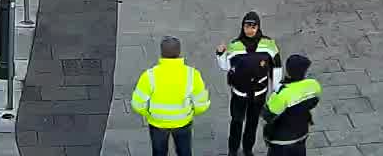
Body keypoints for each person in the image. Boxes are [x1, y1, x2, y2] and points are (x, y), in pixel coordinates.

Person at [130, 36, 210, 156]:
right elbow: (202, 104)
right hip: (183, 121)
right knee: (184, 152)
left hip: (157, 123)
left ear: (161, 53)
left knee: (159, 153)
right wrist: (190, 113)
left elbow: (137, 104)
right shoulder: (192, 74)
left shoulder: (149, 75)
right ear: (179, 52)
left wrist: (149, 114)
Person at [217, 12, 282, 156]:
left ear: (258, 27)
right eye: (247, 26)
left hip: (259, 94)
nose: (250, 30)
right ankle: (232, 150)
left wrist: (276, 89)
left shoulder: (269, 45)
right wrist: (220, 54)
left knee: (252, 124)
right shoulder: (235, 45)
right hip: (239, 94)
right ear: (242, 27)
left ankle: (248, 149)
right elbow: (225, 66)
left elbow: (276, 67)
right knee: (236, 122)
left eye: (253, 26)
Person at [261, 55, 321, 156]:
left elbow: (268, 115)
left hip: (281, 141)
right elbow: (313, 102)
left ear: (288, 71)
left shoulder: (282, 93)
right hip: (302, 134)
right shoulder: (313, 85)